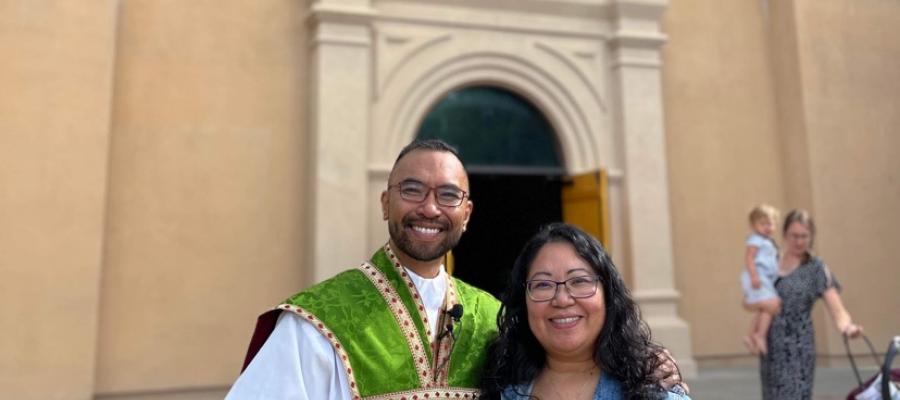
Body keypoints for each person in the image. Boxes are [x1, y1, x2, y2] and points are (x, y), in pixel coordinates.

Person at [225, 139, 501, 399]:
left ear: (466, 214)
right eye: (412, 190)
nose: (430, 208)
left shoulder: (492, 322)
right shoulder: (317, 320)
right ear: (385, 203)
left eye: (448, 195)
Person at [479, 223, 690, 400]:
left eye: (579, 281)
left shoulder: (652, 391)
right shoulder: (498, 388)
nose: (562, 300)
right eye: (543, 284)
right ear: (523, 301)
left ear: (608, 294)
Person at [760, 209, 863, 400]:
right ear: (784, 234)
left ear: (811, 237)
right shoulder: (770, 262)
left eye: (804, 236)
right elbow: (752, 301)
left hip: (799, 348)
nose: (799, 241)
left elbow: (837, 309)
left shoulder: (816, 268)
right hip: (772, 347)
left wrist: (847, 327)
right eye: (794, 235)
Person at [740, 204, 782, 355]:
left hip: (765, 277)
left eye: (770, 224)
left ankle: (751, 335)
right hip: (758, 276)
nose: (767, 227)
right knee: (771, 304)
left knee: (764, 308)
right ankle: (760, 335)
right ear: (753, 226)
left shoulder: (769, 241)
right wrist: (754, 276)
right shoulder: (756, 240)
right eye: (763, 224)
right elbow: (749, 258)